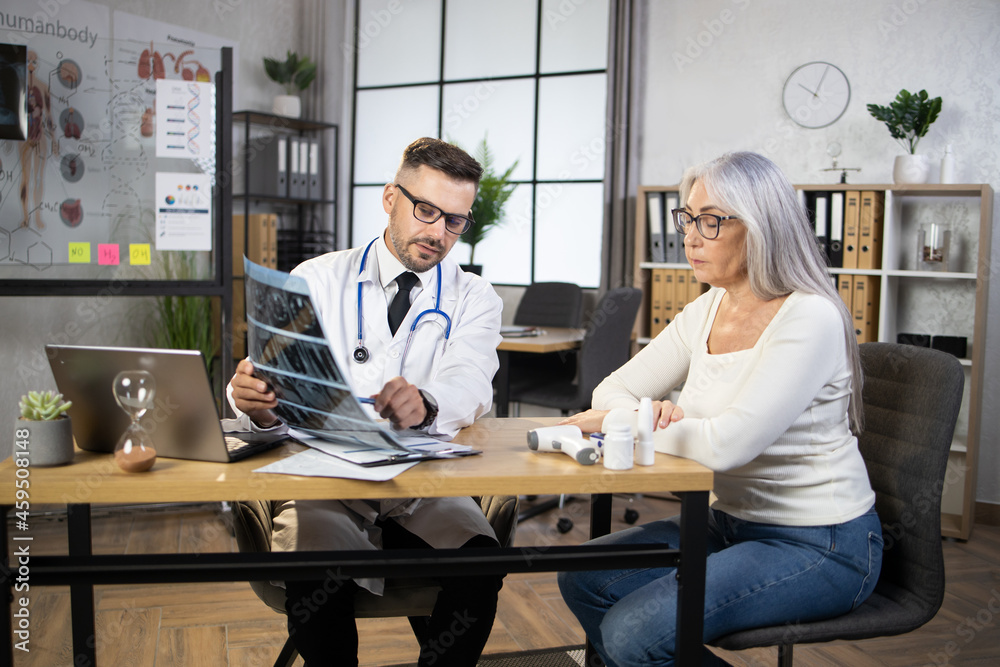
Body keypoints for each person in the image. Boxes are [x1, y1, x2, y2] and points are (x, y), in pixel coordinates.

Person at [556, 151, 883, 666]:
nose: (691, 235)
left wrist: (635, 421)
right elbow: (609, 392)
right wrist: (648, 415)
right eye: (688, 218)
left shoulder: (810, 317)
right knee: (584, 576)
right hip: (723, 522)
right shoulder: (707, 307)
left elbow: (727, 446)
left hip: (819, 542)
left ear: (760, 227)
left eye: (711, 220)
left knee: (633, 635)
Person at [229, 137, 505, 666]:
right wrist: (256, 402)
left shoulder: (474, 296)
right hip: (326, 480)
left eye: (455, 221)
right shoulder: (317, 278)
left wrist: (424, 403)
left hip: (422, 481)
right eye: (426, 210)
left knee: (480, 563)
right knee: (317, 566)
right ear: (389, 198)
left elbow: (471, 382)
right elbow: (269, 385)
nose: (438, 233)